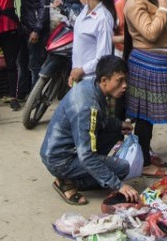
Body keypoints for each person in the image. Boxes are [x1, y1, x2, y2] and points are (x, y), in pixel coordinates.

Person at [41, 54, 140, 206]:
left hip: (64, 150)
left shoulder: (91, 86)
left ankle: (82, 175)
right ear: (104, 80)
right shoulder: (87, 107)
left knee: (115, 129)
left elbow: (100, 122)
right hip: (60, 161)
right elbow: (86, 156)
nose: (125, 85)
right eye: (119, 81)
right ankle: (67, 182)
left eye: (125, 80)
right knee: (122, 168)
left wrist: (119, 125)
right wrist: (119, 185)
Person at [121, 0, 167, 176]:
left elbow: (161, 27)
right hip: (146, 65)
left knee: (148, 117)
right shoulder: (135, 2)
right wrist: (164, 8)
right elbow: (150, 33)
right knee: (144, 117)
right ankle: (144, 162)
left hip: (157, 63)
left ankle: (144, 155)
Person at [68, 0, 116, 86]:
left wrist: (81, 70)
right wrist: (74, 73)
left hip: (91, 80)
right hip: (79, 78)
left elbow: (104, 57)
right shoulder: (85, 10)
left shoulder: (102, 18)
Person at [17, 0, 52, 99]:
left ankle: (35, 97)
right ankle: (22, 93)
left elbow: (43, 9)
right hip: (24, 28)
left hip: (36, 31)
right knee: (22, 62)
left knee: (35, 65)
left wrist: (37, 30)